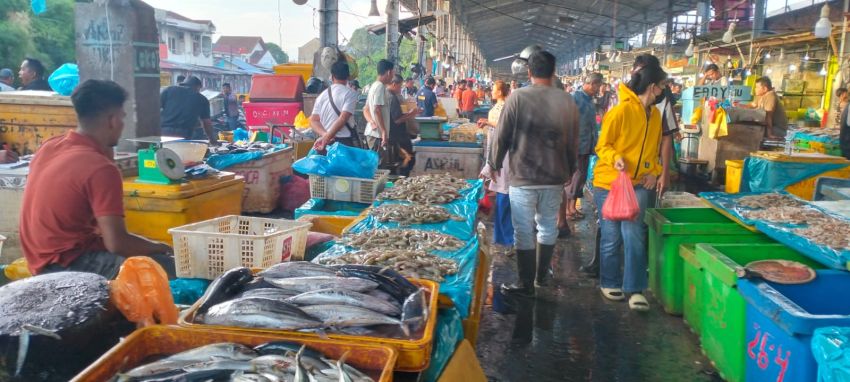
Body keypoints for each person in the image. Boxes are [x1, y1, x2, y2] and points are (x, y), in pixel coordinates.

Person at [19, 79, 176, 279]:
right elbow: (117, 243)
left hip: (37, 257)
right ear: (112, 120)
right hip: (66, 264)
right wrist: (159, 246)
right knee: (165, 268)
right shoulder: (101, 169)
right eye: (122, 117)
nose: (122, 124)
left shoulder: (50, 146)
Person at [492, 50, 579, 297]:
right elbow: (573, 139)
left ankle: (525, 283)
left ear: (529, 72)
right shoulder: (567, 101)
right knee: (547, 226)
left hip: (523, 176)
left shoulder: (517, 98)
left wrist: (496, 164)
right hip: (554, 176)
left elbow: (502, 135)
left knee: (523, 229)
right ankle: (542, 278)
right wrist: (571, 168)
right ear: (553, 72)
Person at [593, 54, 667, 311]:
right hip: (609, 183)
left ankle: (635, 288)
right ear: (651, 86)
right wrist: (616, 159)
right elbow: (602, 145)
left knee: (635, 235)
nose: (663, 90)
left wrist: (654, 171)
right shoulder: (620, 111)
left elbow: (655, 151)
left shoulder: (655, 116)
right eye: (662, 85)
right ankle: (609, 281)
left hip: (638, 184)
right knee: (612, 236)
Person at [562, 73, 603, 226]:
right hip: (576, 145)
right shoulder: (575, 98)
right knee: (575, 176)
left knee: (581, 177)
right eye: (597, 86)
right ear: (591, 83)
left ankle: (573, 207)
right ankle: (568, 209)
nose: (598, 89)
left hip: (587, 145)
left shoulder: (589, 100)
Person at [478, 80, 513, 252]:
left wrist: (488, 123)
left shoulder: (507, 106)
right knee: (501, 198)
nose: (491, 91)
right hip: (496, 155)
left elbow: (506, 129)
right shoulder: (499, 105)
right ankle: (502, 239)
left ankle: (509, 241)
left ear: (500, 91)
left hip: (503, 156)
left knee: (504, 198)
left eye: (493, 89)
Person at [310, 60, 361, 150]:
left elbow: (313, 121)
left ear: (332, 77)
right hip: (344, 144)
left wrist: (325, 135)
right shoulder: (350, 94)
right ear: (348, 77)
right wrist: (327, 137)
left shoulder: (322, 96)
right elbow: (342, 119)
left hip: (325, 144)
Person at [160, 76, 218, 145]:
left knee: (164, 153)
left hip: (163, 131)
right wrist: (212, 140)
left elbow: (154, 109)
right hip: (183, 134)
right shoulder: (201, 99)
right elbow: (206, 123)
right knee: (180, 154)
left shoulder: (168, 90)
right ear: (198, 87)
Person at [387, 75, 421, 176]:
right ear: (394, 84)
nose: (401, 88)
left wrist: (410, 112)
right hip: (397, 136)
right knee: (406, 160)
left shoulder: (394, 96)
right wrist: (412, 114)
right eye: (400, 86)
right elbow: (397, 120)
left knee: (406, 159)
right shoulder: (392, 98)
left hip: (398, 135)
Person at [363, 59, 394, 151]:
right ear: (388, 72)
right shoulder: (380, 86)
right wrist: (384, 131)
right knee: (379, 164)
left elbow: (366, 109)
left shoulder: (374, 86)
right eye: (392, 73)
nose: (392, 77)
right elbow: (377, 110)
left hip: (373, 133)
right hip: (377, 135)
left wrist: (371, 121)